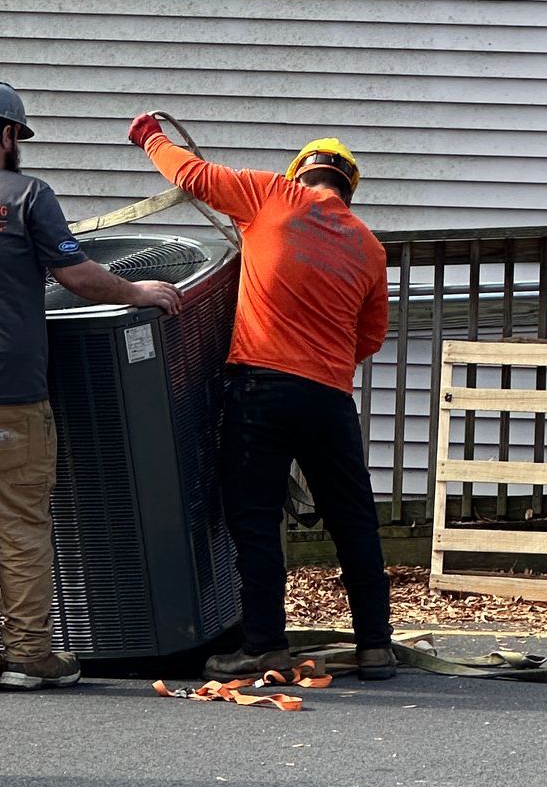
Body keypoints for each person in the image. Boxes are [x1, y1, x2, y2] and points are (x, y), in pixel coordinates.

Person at [0, 80, 182, 692]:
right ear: (9, 133)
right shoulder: (27, 194)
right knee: (19, 524)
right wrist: (138, 292)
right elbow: (75, 275)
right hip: (5, 390)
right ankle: (27, 657)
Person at [124, 115, 395, 680]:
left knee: (255, 517)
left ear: (302, 172)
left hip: (262, 388)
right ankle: (375, 645)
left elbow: (193, 175)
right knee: (353, 521)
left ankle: (265, 644)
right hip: (330, 398)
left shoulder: (273, 195)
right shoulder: (369, 247)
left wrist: (151, 136)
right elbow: (369, 335)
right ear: (349, 187)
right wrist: (325, 361)